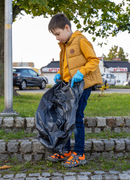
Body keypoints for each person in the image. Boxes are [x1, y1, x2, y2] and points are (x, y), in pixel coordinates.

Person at [47, 13, 103, 168]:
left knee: (77, 118)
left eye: (58, 34)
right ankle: (65, 151)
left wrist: (82, 72)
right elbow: (67, 67)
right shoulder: (64, 46)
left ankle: (79, 153)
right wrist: (61, 74)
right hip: (70, 87)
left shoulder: (80, 41)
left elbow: (94, 60)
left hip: (83, 86)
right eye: (54, 35)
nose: (57, 38)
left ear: (67, 28)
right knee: (66, 117)